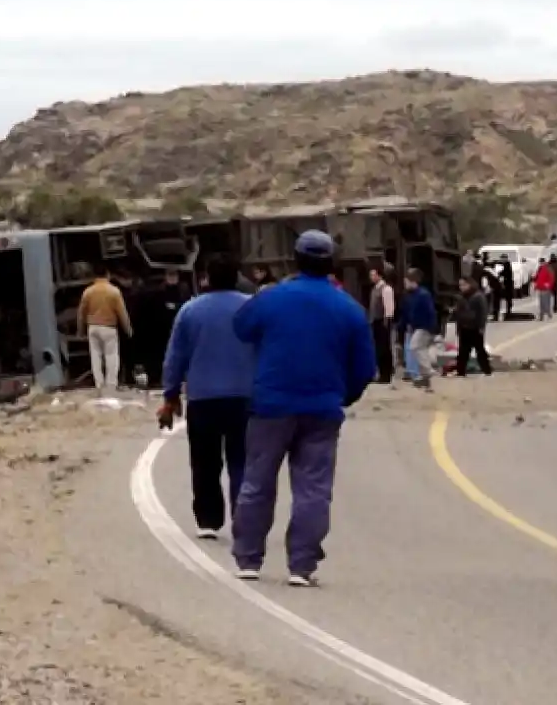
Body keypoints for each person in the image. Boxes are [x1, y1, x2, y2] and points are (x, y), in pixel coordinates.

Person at [230, 230, 376, 585]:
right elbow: (365, 367)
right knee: (313, 488)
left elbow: (241, 327)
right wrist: (345, 395)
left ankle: (249, 558)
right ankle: (302, 565)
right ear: (332, 263)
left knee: (257, 481)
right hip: (322, 409)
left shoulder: (272, 298)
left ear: (295, 260)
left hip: (271, 405)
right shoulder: (350, 309)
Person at [160, 254, 256, 540]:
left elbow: (175, 357)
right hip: (245, 397)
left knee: (205, 461)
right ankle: (244, 515)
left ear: (206, 279)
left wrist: (170, 395)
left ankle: (208, 520)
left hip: (203, 398)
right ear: (237, 276)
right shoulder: (251, 308)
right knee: (242, 460)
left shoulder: (190, 311)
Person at [77, 264, 133, 396]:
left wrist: (80, 330)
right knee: (111, 356)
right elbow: (122, 313)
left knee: (95, 356)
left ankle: (99, 384)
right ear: (107, 275)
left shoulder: (88, 292)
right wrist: (128, 329)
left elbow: (81, 313)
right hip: (109, 327)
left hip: (93, 328)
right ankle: (111, 385)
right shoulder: (114, 291)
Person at [398, 268, 438, 391]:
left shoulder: (423, 295)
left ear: (413, 281)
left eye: (406, 281)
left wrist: (433, 330)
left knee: (415, 347)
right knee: (420, 350)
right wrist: (402, 326)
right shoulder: (408, 296)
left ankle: (428, 371)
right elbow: (405, 313)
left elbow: (431, 313)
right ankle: (426, 381)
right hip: (415, 327)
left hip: (424, 327)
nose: (405, 284)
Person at [453, 278, 492, 377]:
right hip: (464, 327)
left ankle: (487, 370)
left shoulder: (478, 296)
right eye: (460, 285)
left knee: (480, 350)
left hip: (475, 327)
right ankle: (460, 372)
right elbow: (458, 313)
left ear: (470, 284)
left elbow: (483, 312)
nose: (461, 287)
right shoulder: (461, 297)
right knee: (463, 351)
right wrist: (458, 327)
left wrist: (481, 326)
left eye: (463, 285)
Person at [368, 267, 396, 384]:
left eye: (373, 275)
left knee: (384, 348)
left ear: (379, 276)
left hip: (383, 321)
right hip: (375, 321)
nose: (371, 277)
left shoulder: (386, 289)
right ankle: (381, 372)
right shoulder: (375, 289)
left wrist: (386, 321)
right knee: (378, 348)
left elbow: (389, 307)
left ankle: (386, 374)